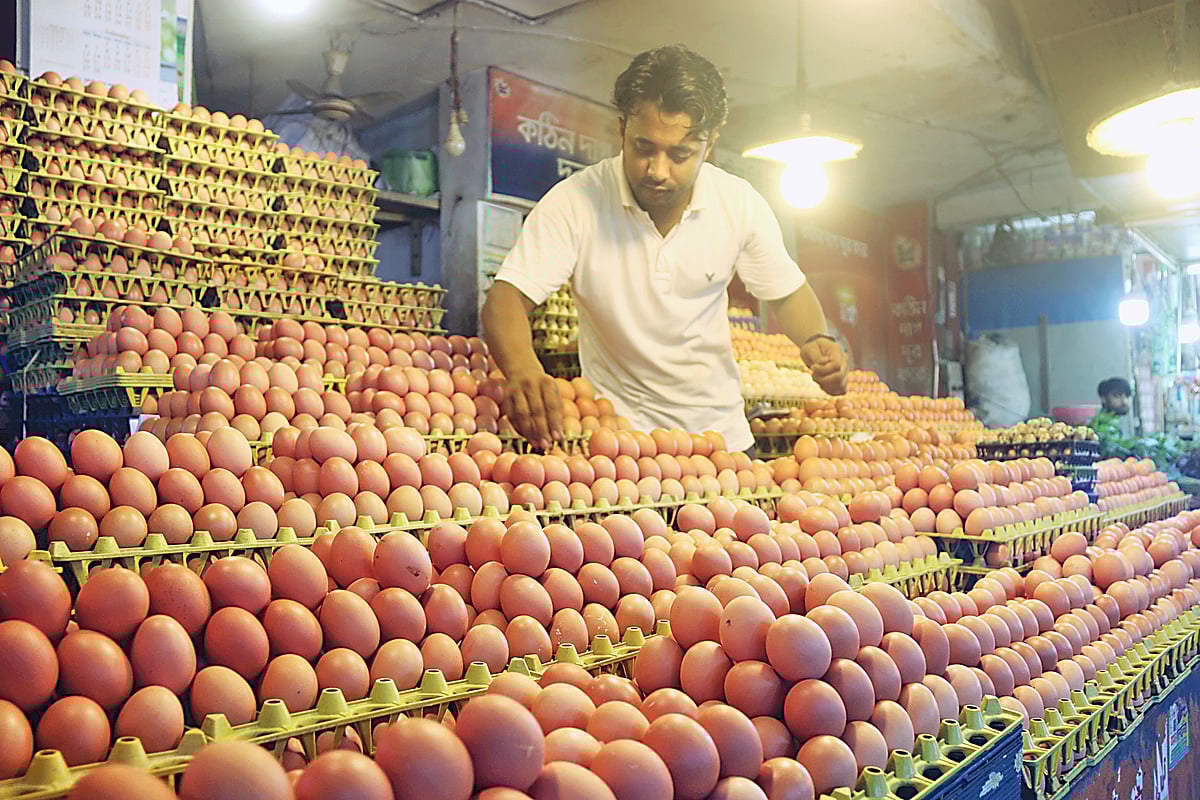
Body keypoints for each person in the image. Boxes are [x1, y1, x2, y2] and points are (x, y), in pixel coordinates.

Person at [482, 44, 849, 452]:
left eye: (679, 154)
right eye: (643, 148)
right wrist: (521, 368)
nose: (657, 170)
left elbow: (787, 291)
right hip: (618, 444)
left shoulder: (737, 203)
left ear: (709, 146)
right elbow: (507, 297)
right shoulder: (576, 201)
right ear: (621, 128)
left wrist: (817, 338)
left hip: (721, 439)